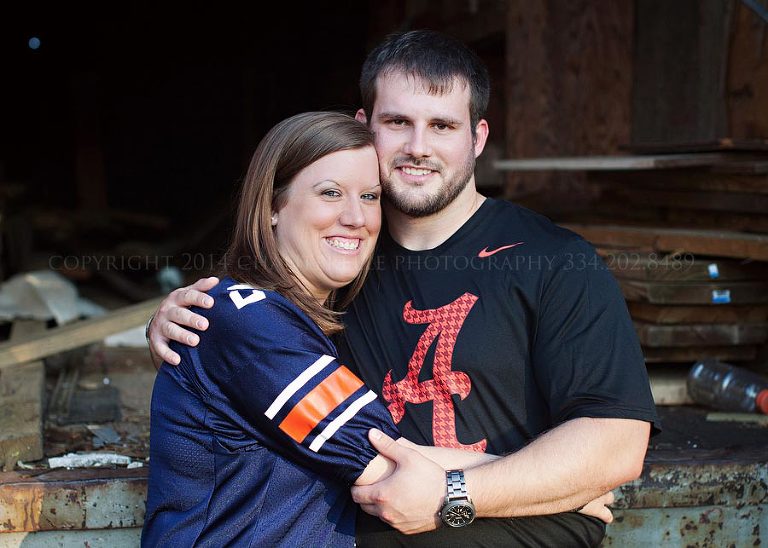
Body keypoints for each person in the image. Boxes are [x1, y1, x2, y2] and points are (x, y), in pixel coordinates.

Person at [148, 31, 659, 546]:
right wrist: (186, 326)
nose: (418, 147)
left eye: (442, 126)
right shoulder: (338, 263)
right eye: (398, 122)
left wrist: (458, 493)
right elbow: (252, 355)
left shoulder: (553, 261)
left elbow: (614, 446)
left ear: (477, 139)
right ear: (364, 127)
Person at [141, 111, 499, 547]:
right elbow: (393, 469)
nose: (355, 217)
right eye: (330, 193)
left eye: (370, 196)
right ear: (273, 206)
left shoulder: (300, 321)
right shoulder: (247, 325)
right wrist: (558, 489)